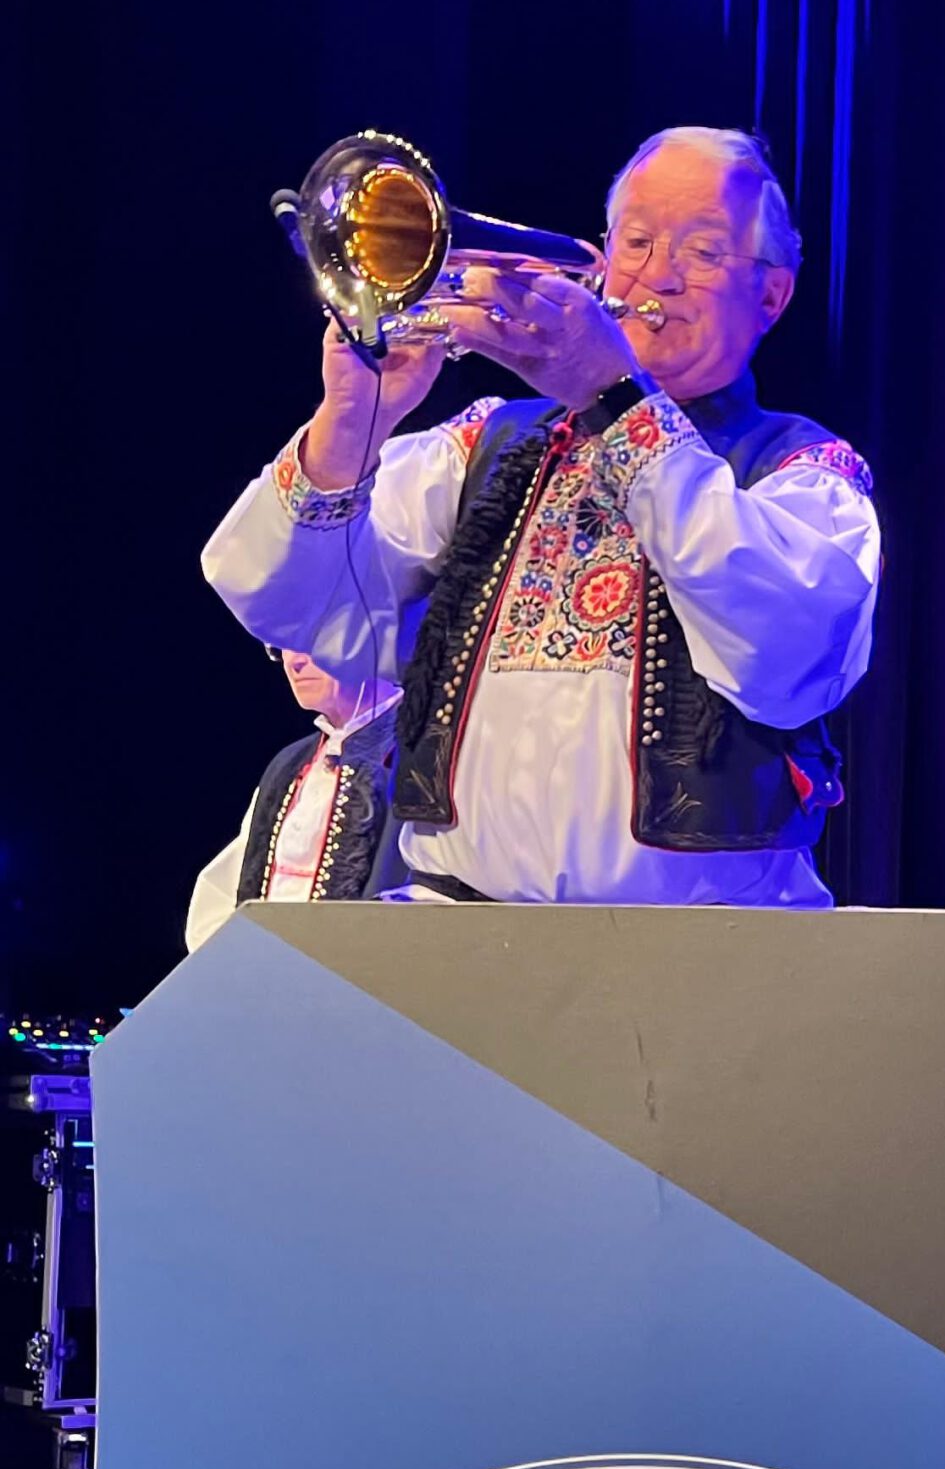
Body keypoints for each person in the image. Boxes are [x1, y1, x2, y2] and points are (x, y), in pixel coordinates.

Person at [203, 127, 879, 907]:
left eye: (702, 252)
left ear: (770, 295)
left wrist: (616, 399)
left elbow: (786, 656)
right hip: (458, 931)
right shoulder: (483, 443)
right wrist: (352, 422)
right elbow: (287, 602)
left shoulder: (803, 471)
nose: (658, 277)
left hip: (702, 946)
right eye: (635, 243)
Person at [185, 648, 401, 952]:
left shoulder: (422, 760)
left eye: (308, 642)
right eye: (281, 646)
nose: (293, 660)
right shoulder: (289, 765)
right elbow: (222, 894)